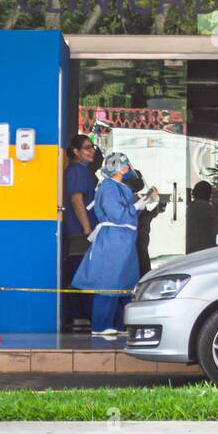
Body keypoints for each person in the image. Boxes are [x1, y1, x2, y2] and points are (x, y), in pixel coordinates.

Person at [71, 152, 140, 337]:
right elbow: (117, 213)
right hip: (114, 239)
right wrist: (138, 206)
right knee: (109, 281)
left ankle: (118, 324)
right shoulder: (109, 187)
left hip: (122, 240)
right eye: (125, 165)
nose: (127, 169)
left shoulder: (118, 186)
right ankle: (101, 325)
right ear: (120, 168)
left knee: (122, 283)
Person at [61, 134, 97, 333]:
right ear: (76, 151)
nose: (91, 151)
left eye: (92, 147)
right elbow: (77, 200)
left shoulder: (82, 171)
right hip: (81, 234)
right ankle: (79, 316)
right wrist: (86, 228)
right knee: (81, 275)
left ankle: (80, 316)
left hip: (83, 232)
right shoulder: (77, 171)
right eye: (86, 147)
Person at [122, 166, 163, 276]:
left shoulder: (134, 198)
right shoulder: (128, 198)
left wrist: (157, 209)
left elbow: (145, 216)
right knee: (141, 269)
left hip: (140, 238)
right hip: (135, 240)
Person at [186, 181, 218, 253]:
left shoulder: (187, 209)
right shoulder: (210, 210)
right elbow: (217, 233)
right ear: (209, 195)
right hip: (205, 252)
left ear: (194, 193)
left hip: (189, 250)